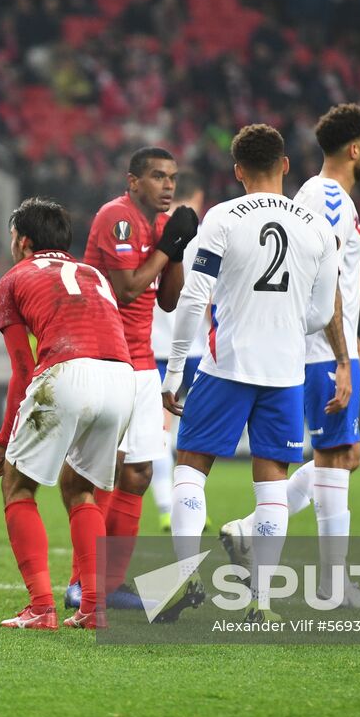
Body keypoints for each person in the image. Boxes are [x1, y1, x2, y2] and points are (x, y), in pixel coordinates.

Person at [158, 124, 343, 624]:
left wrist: (175, 373)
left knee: (190, 469)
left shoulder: (221, 218)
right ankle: (261, 601)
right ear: (285, 165)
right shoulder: (316, 226)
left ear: (237, 171)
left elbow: (194, 298)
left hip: (226, 365)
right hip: (285, 372)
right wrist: (281, 325)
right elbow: (323, 310)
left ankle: (184, 575)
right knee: (271, 487)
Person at [220, 104, 360, 607]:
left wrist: (355, 348)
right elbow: (321, 274)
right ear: (354, 149)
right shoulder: (327, 196)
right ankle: (333, 585)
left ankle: (250, 532)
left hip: (330, 346)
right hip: (317, 350)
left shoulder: (330, 196)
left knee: (343, 456)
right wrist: (340, 357)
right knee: (337, 456)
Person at [0, 199, 135, 630]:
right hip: (123, 379)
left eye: (13, 238)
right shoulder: (94, 274)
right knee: (81, 489)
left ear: (24, 242)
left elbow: (23, 369)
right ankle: (93, 609)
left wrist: (6, 436)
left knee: (17, 485)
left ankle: (41, 607)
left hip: (66, 372)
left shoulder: (13, 280)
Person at [64, 147, 199, 609]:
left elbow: (168, 300)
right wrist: (166, 248)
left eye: (173, 178)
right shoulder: (116, 217)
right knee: (103, 473)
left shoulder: (162, 226)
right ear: (133, 181)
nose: (168, 186)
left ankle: (112, 584)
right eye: (158, 177)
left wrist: (177, 249)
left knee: (139, 473)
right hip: (103, 356)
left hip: (142, 363)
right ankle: (82, 582)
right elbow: (126, 289)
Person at [149, 170, 208, 531]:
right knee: (194, 434)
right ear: (195, 199)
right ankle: (184, 507)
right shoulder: (203, 236)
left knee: (159, 432)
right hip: (194, 350)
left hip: (156, 347)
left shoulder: (151, 232)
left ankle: (168, 507)